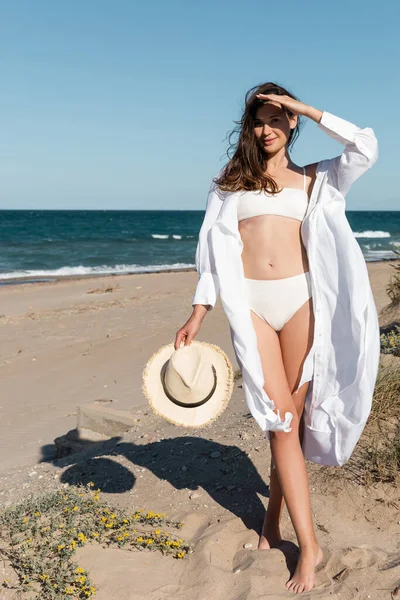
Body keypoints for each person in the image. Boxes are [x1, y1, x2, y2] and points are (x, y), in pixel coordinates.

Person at [174, 82, 379, 594]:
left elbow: (366, 147)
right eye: (259, 119)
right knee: (280, 419)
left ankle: (274, 524)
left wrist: (307, 107)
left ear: (292, 124)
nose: (267, 128)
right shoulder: (229, 183)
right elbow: (211, 250)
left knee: (287, 424)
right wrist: (198, 313)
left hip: (303, 304)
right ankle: (309, 544)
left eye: (277, 118)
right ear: (249, 127)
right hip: (254, 309)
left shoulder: (317, 178)